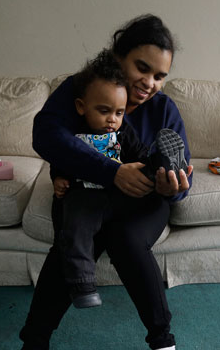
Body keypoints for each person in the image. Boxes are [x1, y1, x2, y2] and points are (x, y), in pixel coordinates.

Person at [20, 14, 193, 350]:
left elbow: (182, 173)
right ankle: (35, 342)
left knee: (126, 238)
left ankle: (163, 342)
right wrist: (111, 172)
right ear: (118, 56)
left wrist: (172, 187)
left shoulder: (163, 109)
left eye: (159, 76)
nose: (149, 83)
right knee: (73, 241)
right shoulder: (82, 88)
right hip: (84, 190)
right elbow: (45, 136)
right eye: (142, 67)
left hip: (143, 200)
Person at [50, 49, 188, 310]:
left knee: (147, 170)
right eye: (104, 111)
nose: (112, 120)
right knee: (75, 230)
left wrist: (151, 169)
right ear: (81, 107)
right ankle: (83, 284)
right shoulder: (73, 133)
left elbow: (139, 154)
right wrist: (58, 178)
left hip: (119, 192)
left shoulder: (123, 131)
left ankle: (166, 166)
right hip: (85, 194)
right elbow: (61, 158)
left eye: (119, 113)